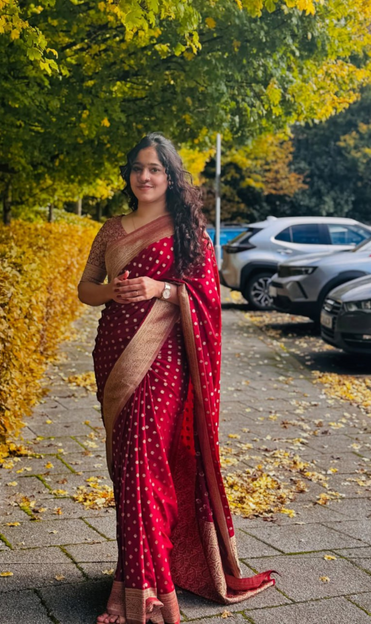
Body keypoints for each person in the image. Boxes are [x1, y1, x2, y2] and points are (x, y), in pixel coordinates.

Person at [78, 133, 276, 624]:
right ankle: (138, 575)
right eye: (137, 168)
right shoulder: (111, 228)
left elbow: (206, 296)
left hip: (166, 360)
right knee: (130, 473)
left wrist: (162, 288)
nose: (145, 177)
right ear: (129, 175)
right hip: (114, 354)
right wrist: (113, 293)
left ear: (170, 177)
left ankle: (143, 593)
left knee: (149, 470)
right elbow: (85, 289)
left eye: (155, 169)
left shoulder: (188, 229)